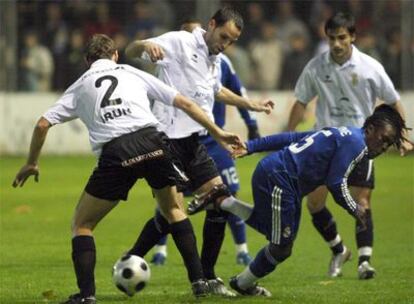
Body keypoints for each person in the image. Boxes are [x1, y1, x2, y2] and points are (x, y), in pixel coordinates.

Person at [12, 34, 243, 304]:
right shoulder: (132, 73)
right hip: (154, 142)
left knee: (82, 225)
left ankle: (87, 297)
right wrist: (217, 132)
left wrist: (31, 162)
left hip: (117, 152)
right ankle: (199, 281)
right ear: (115, 56)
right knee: (173, 210)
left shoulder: (80, 85)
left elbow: (42, 124)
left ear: (88, 61)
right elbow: (185, 103)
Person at [123, 7, 274, 296]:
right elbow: (130, 50)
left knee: (221, 201)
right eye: (224, 36)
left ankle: (209, 277)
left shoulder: (215, 58)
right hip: (165, 141)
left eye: (231, 41)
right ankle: (172, 272)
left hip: (193, 142)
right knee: (174, 213)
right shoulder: (179, 41)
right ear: (211, 24)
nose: (225, 44)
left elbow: (217, 91)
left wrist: (251, 104)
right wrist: (145, 44)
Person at [189, 104, 411, 296]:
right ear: (370, 129)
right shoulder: (357, 144)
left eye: (388, 144)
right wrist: (355, 208)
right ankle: (243, 283)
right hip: (280, 178)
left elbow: (293, 137)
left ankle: (223, 201)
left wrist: (253, 146)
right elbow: (336, 182)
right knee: (281, 246)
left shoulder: (345, 133)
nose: (383, 147)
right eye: (383, 140)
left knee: (278, 238)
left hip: (283, 180)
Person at [286, 12, 412, 279]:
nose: (337, 44)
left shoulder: (370, 67)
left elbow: (393, 100)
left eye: (342, 38)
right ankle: (339, 249)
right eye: (332, 38)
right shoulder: (316, 67)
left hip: (359, 143)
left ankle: (365, 261)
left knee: (362, 201)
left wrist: (404, 135)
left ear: (352, 37)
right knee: (314, 204)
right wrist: (289, 133)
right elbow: (301, 102)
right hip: (324, 144)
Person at [150, 19, 258, 267]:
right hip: (177, 139)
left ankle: (237, 252)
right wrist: (144, 46)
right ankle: (158, 252)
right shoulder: (172, 56)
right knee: (172, 204)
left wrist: (250, 116)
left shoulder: (220, 60)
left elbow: (231, 90)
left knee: (224, 195)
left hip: (210, 140)